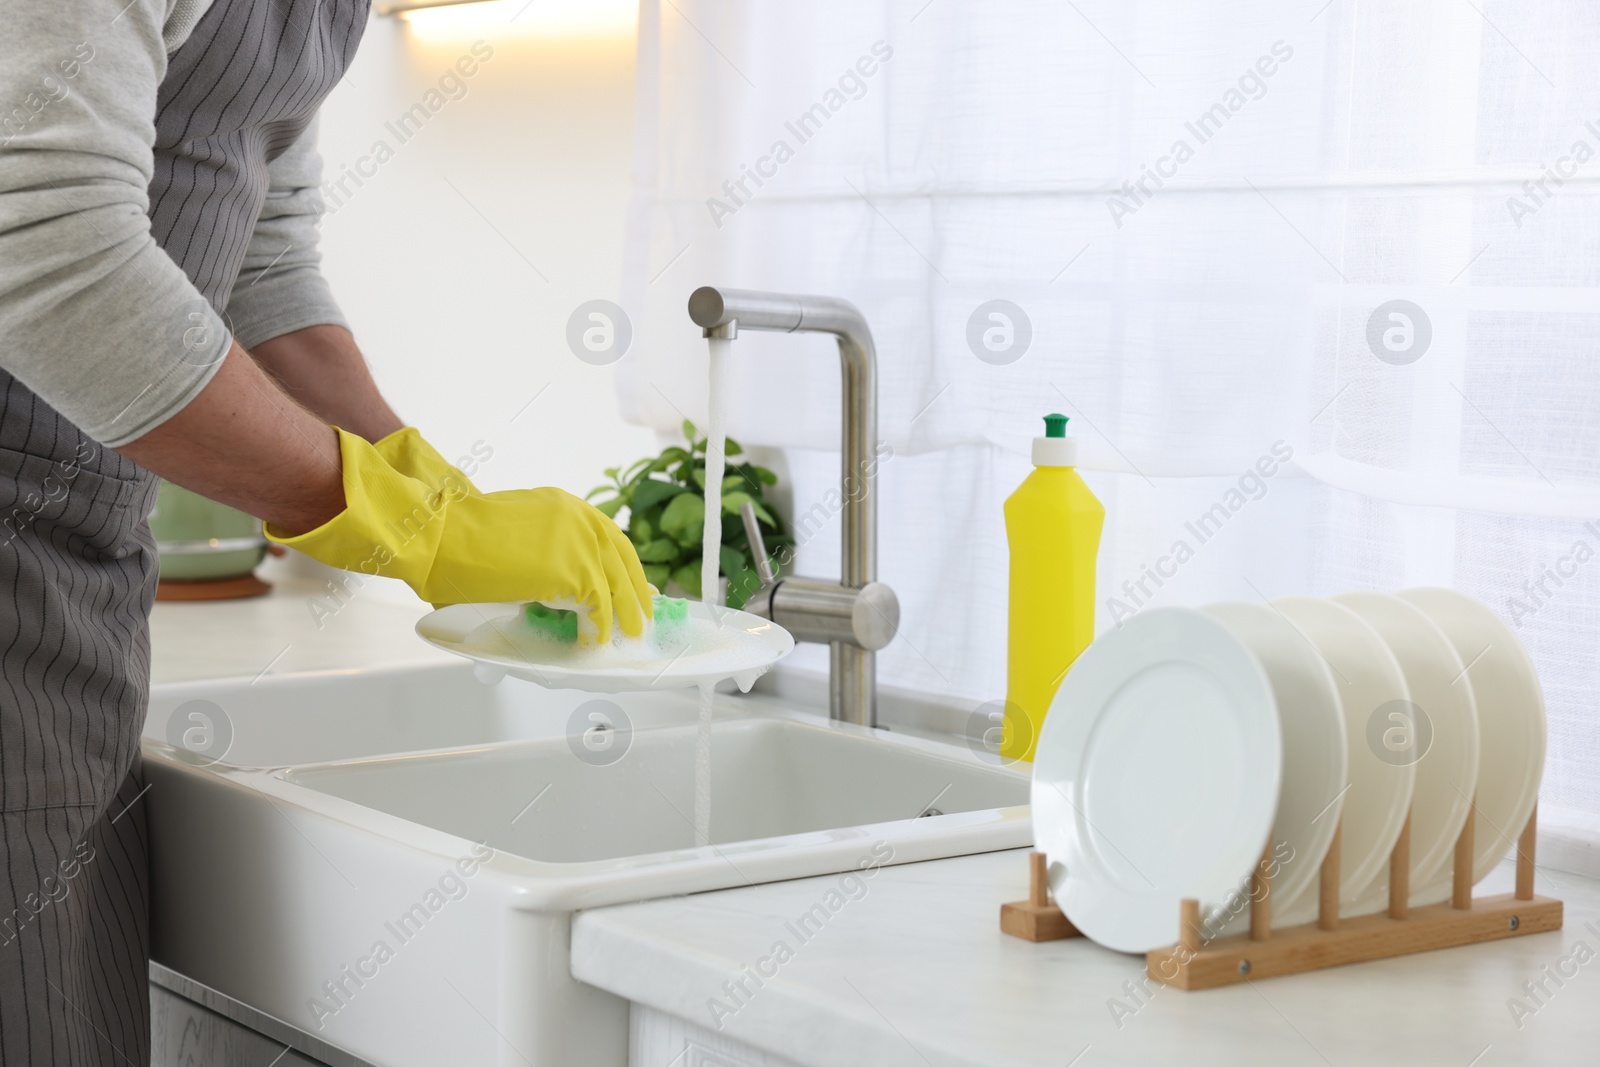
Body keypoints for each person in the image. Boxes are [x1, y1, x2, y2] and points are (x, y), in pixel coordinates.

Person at [0, 3, 649, 1063]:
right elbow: (41, 243)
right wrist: (403, 530)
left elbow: (258, 263)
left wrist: (424, 483)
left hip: (77, 575)